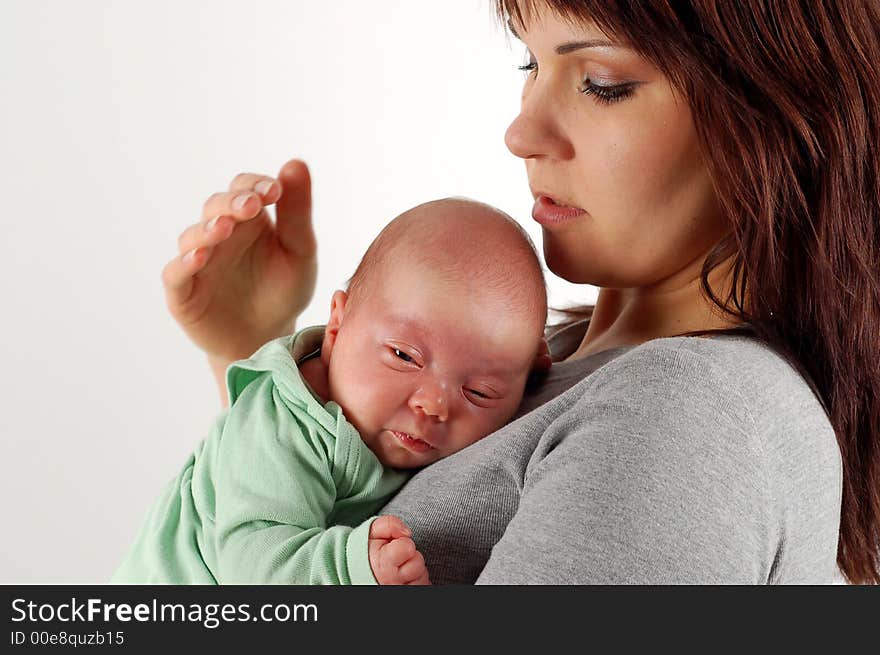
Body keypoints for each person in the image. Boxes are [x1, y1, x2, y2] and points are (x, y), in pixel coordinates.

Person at [160, 0, 879, 584]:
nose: (521, 130)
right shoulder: (556, 364)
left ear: (778, 111)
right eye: (530, 63)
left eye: (602, 82)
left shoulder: (683, 415)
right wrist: (253, 356)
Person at [114, 198, 548, 584]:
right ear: (337, 325)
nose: (433, 404)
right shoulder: (283, 422)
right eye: (403, 356)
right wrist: (350, 567)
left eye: (479, 391)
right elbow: (251, 564)